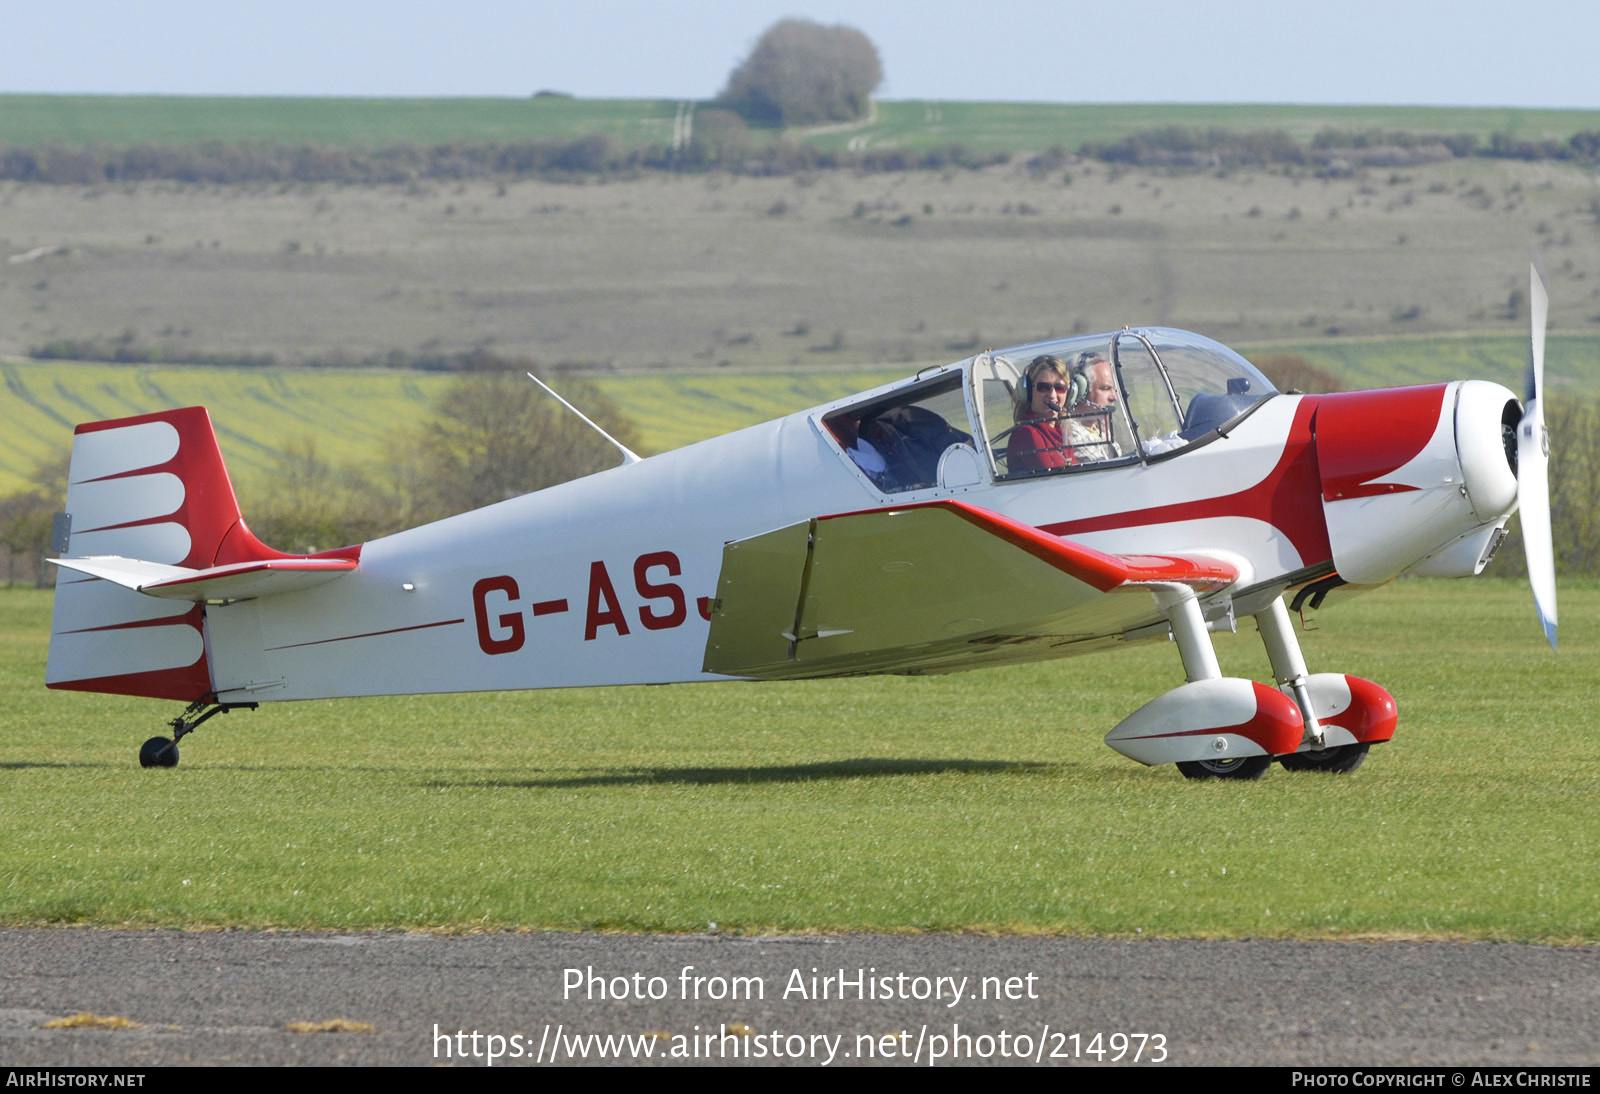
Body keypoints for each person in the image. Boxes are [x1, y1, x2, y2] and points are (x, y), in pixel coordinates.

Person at [1007, 355, 1076, 472]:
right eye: (1043, 387)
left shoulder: (1061, 431)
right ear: (1028, 391)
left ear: (1068, 393)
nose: (1052, 395)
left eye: (1060, 388)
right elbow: (1056, 479)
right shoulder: (1026, 434)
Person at [1065, 352, 1122, 461]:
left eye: (1113, 389)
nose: (1114, 397)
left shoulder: (1101, 426)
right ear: (1080, 391)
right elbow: (1107, 471)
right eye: (1105, 388)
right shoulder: (1072, 434)